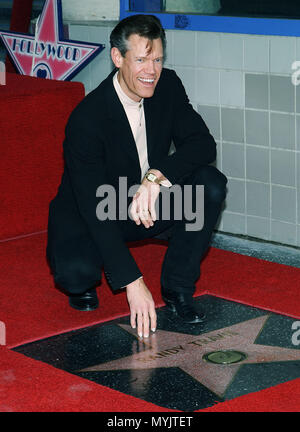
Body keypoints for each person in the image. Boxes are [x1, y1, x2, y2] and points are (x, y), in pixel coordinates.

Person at [46, 14, 227, 339]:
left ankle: (178, 288)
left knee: (210, 184)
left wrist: (158, 176)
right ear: (118, 58)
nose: (151, 71)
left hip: (147, 201)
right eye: (141, 59)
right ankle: (84, 274)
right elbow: (92, 207)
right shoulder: (87, 119)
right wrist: (133, 281)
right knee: (76, 275)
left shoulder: (168, 85)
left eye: (157, 59)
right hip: (97, 209)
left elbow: (203, 144)